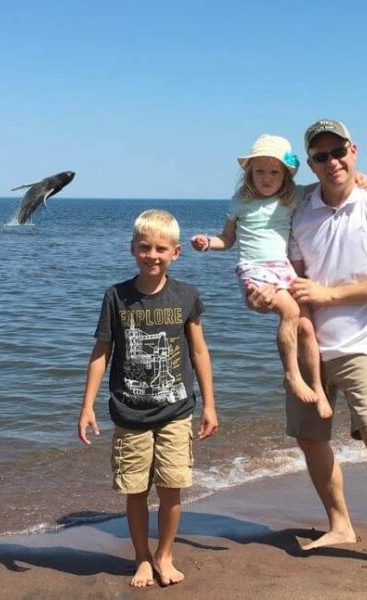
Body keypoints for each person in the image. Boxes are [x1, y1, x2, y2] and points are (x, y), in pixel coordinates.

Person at [249, 119, 367, 579]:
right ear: (309, 164)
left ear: (354, 150)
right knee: (309, 437)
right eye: (320, 156)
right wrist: (264, 296)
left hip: (362, 344)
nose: (332, 162)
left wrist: (329, 296)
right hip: (307, 347)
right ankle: (340, 524)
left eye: (338, 151)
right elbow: (281, 262)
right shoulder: (299, 204)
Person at [78, 209, 218, 588]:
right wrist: (87, 406)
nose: (152, 255)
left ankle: (165, 554)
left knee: (172, 487)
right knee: (135, 490)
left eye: (161, 248)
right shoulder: (116, 297)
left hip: (176, 410)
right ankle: (141, 558)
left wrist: (210, 404)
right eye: (145, 247)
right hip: (129, 412)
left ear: (176, 253)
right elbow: (101, 352)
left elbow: (199, 352)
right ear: (133, 249)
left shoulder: (186, 295)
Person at [190, 134, 335, 419]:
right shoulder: (240, 202)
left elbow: (328, 185)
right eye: (259, 171)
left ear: (285, 175)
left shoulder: (292, 196)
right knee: (290, 311)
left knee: (305, 325)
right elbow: (228, 239)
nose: (266, 178)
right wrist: (208, 242)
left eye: (274, 172)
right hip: (253, 267)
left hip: (281, 266)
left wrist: (361, 179)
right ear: (249, 173)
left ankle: (318, 388)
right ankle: (292, 375)